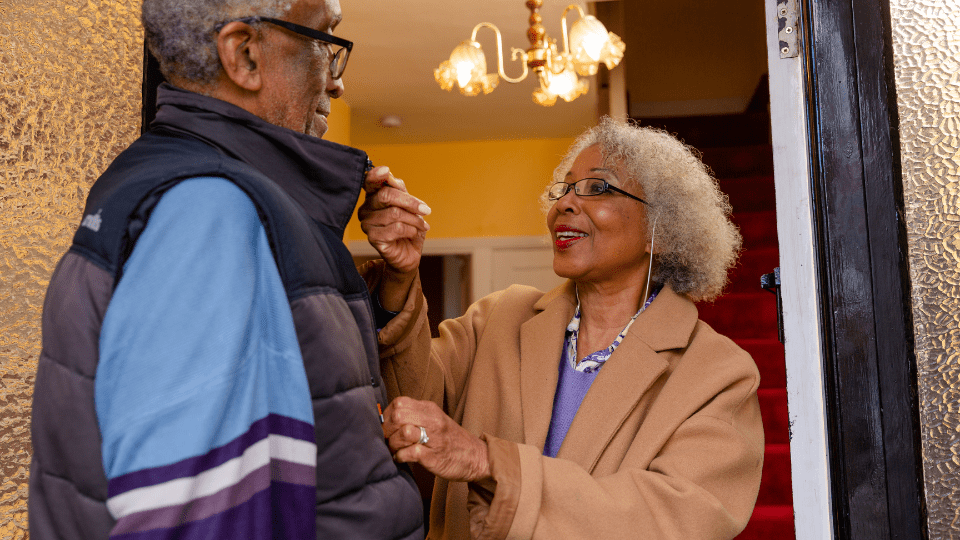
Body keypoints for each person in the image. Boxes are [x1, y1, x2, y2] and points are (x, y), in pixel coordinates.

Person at [28, 0, 430, 538]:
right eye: (323, 42)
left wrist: (391, 289)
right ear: (243, 56)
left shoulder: (195, 191)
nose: (335, 83)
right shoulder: (208, 212)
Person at [366, 117, 764, 539]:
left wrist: (489, 463)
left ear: (659, 233)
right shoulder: (498, 318)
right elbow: (405, 399)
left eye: (597, 187)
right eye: (565, 187)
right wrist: (400, 277)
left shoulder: (718, 373)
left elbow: (676, 518)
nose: (566, 204)